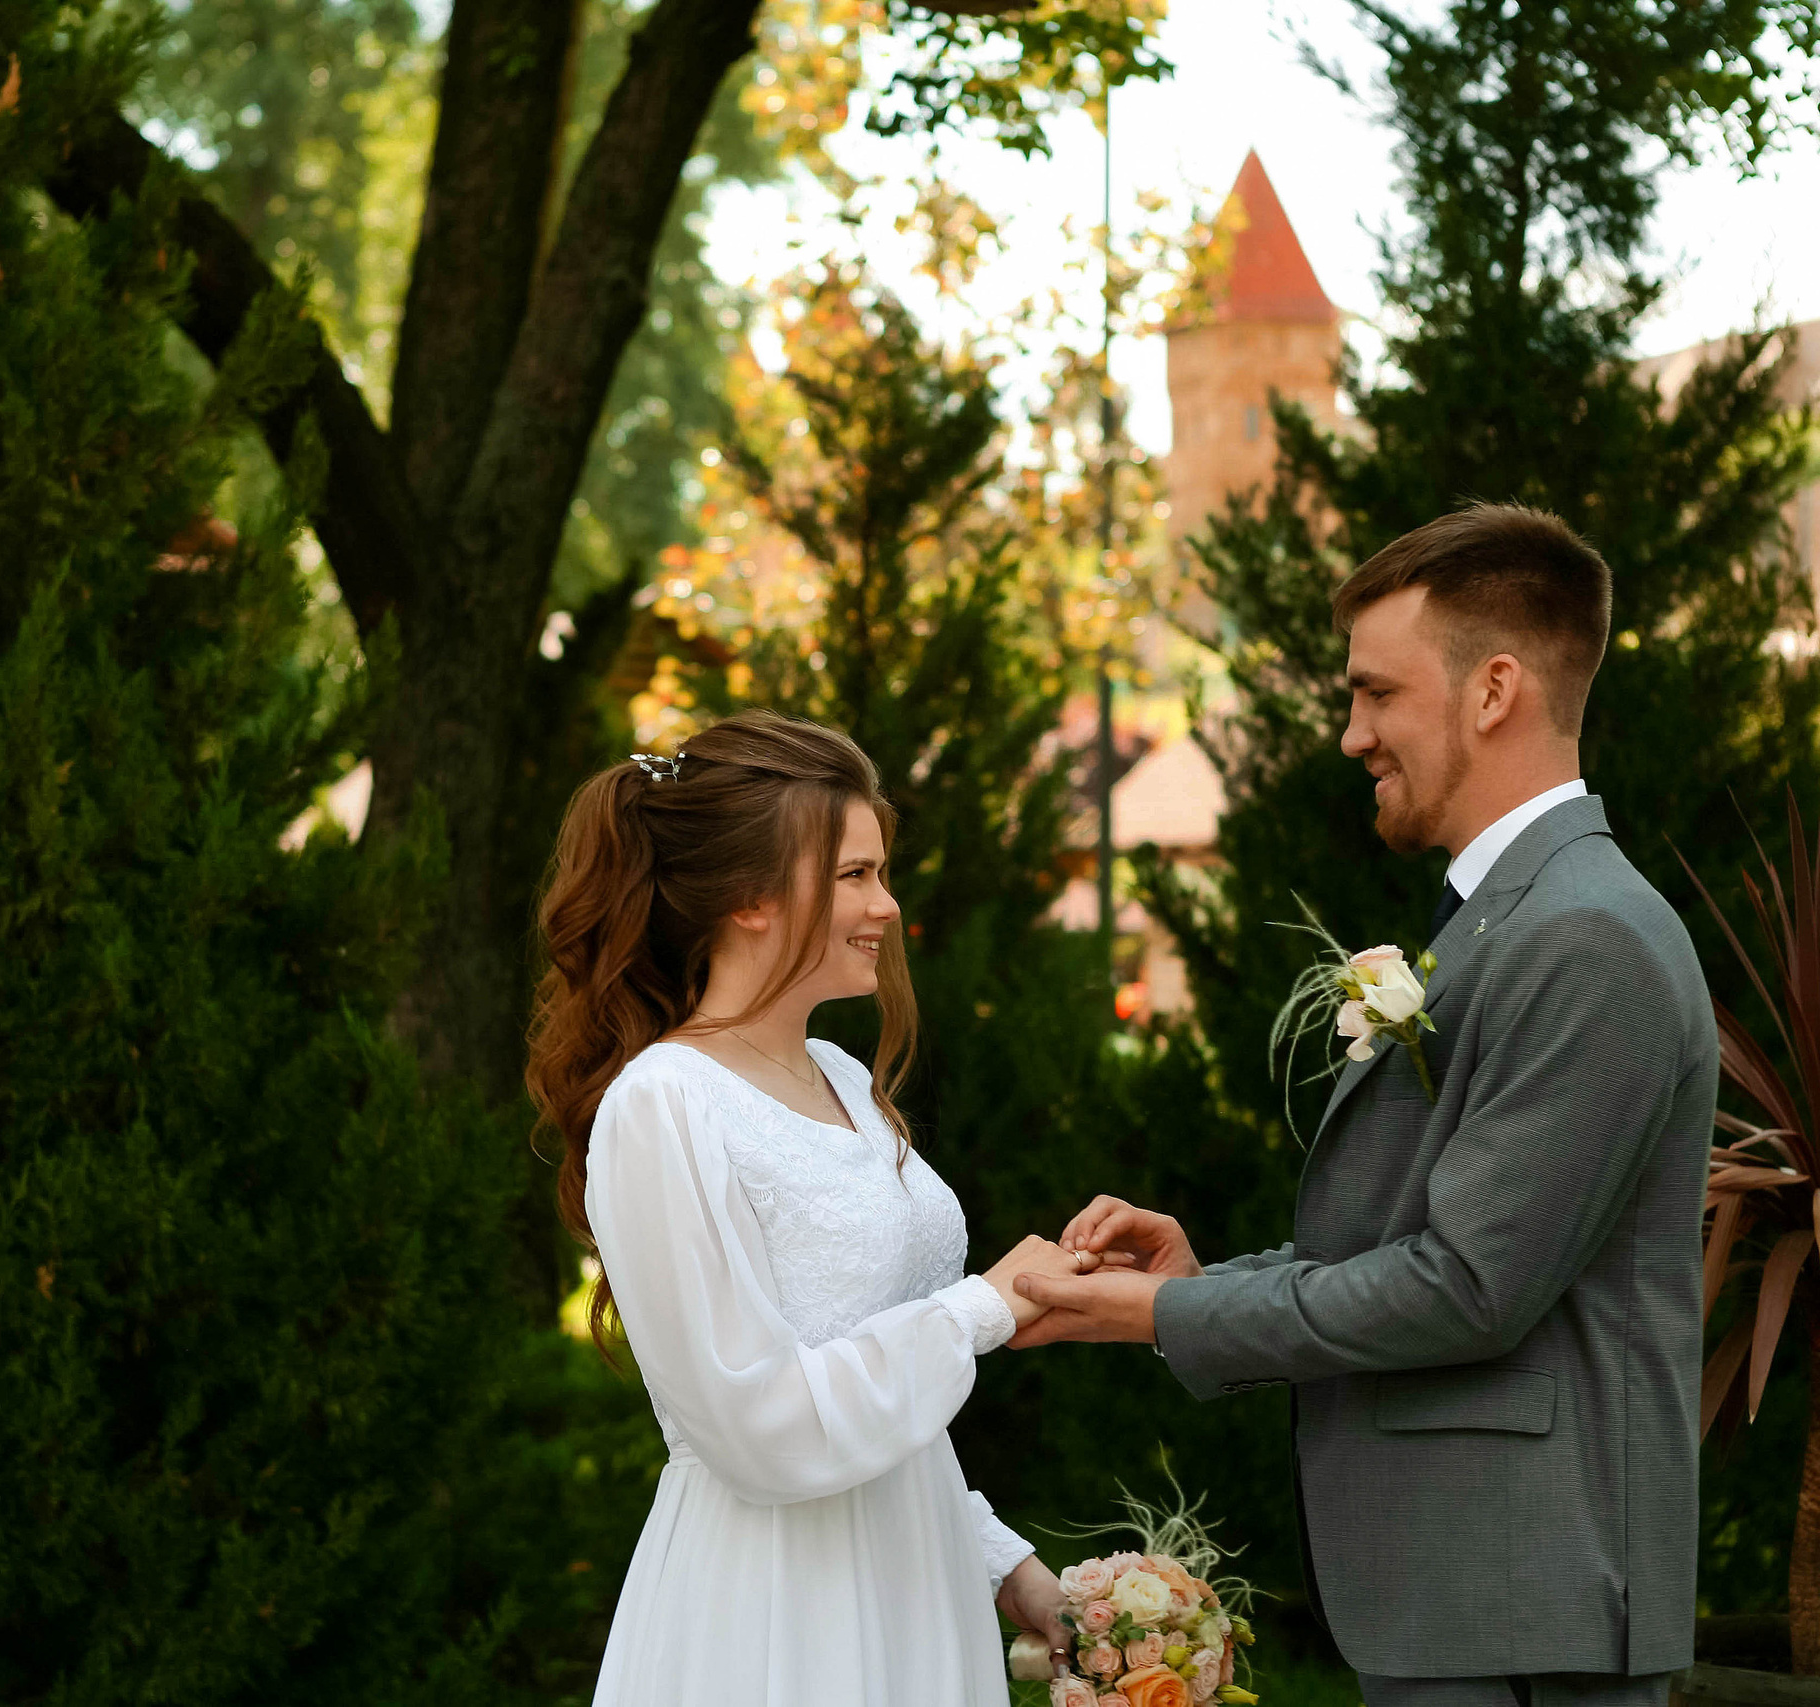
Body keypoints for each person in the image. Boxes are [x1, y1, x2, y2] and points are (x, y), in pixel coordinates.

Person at [1011, 504, 1720, 1707]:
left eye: (1376, 694)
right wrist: (1196, 1287)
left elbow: (1466, 1286)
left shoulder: (1585, 935)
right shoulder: (1513, 919)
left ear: (1492, 690)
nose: (1352, 735)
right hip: (1473, 1604)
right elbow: (1418, 1239)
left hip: (1522, 1615)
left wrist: (1160, 1322)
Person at [529, 709, 1077, 1707]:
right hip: (776, 1609)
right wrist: (983, 1309)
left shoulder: (837, 1075)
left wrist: (1004, 1569)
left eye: (880, 872)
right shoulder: (664, 1105)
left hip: (913, 1584)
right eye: (854, 876)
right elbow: (759, 1425)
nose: (889, 906)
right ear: (748, 896)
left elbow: (884, 1405)